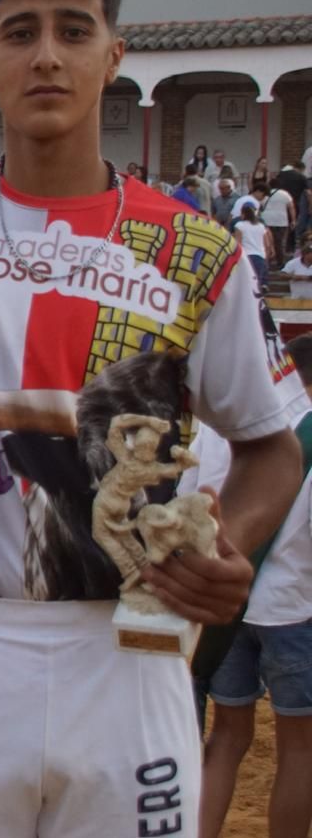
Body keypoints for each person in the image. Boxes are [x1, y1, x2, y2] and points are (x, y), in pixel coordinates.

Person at [0, 0, 301, 838]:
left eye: (74, 31)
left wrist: (225, 543)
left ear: (114, 57)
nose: (47, 56)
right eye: (20, 33)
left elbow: (270, 444)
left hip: (132, 639)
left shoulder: (195, 247)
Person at [186, 327, 312, 838]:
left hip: (224, 606)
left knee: (226, 736)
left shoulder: (221, 428)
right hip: (293, 608)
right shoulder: (301, 435)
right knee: (300, 749)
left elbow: (189, 498)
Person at [235, 200, 274, 291]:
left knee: (247, 284)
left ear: (243, 214)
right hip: (260, 256)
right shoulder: (261, 226)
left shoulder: (239, 225)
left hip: (246, 256)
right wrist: (266, 259)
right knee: (258, 284)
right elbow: (267, 244)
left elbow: (238, 243)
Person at [262, 178, 295, 262]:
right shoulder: (285, 194)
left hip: (267, 220)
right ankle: (280, 261)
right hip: (281, 221)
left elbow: (260, 205)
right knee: (279, 242)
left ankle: (269, 260)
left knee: (268, 241)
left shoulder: (265, 194)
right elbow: (291, 207)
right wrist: (293, 220)